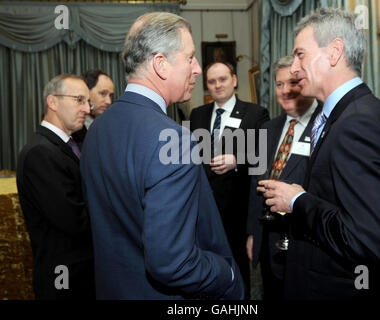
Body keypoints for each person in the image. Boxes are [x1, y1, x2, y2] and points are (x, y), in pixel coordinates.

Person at [80, 12, 245, 300]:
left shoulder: (97, 129)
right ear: (161, 64)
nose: (197, 69)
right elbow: (173, 263)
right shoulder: (174, 139)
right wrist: (227, 273)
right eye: (190, 57)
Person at [258, 8, 380, 300]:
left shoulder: (359, 122)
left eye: (300, 54)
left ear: (334, 52)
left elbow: (369, 240)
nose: (293, 68)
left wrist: (298, 201)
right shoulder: (342, 115)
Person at [190, 61, 270, 297]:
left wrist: (237, 160)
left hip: (238, 210)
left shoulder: (256, 113)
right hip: (204, 209)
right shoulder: (197, 115)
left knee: (238, 271)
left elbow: (264, 155)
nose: (218, 85)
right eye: (212, 82)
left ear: (234, 80)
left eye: (222, 79)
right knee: (206, 270)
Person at [246, 55, 319, 300]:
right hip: (267, 240)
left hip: (305, 243)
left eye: (292, 83)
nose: (285, 90)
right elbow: (254, 184)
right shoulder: (267, 129)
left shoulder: (323, 127)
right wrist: (252, 233)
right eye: (279, 84)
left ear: (305, 82)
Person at [16, 74, 95, 299]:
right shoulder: (40, 153)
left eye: (87, 101)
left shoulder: (69, 145)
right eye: (79, 100)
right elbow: (74, 220)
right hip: (64, 276)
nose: (87, 109)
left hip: (80, 272)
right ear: (53, 102)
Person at [72, 70, 114, 147]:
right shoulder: (72, 128)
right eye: (103, 93)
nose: (108, 101)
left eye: (110, 96)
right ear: (85, 92)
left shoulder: (111, 126)